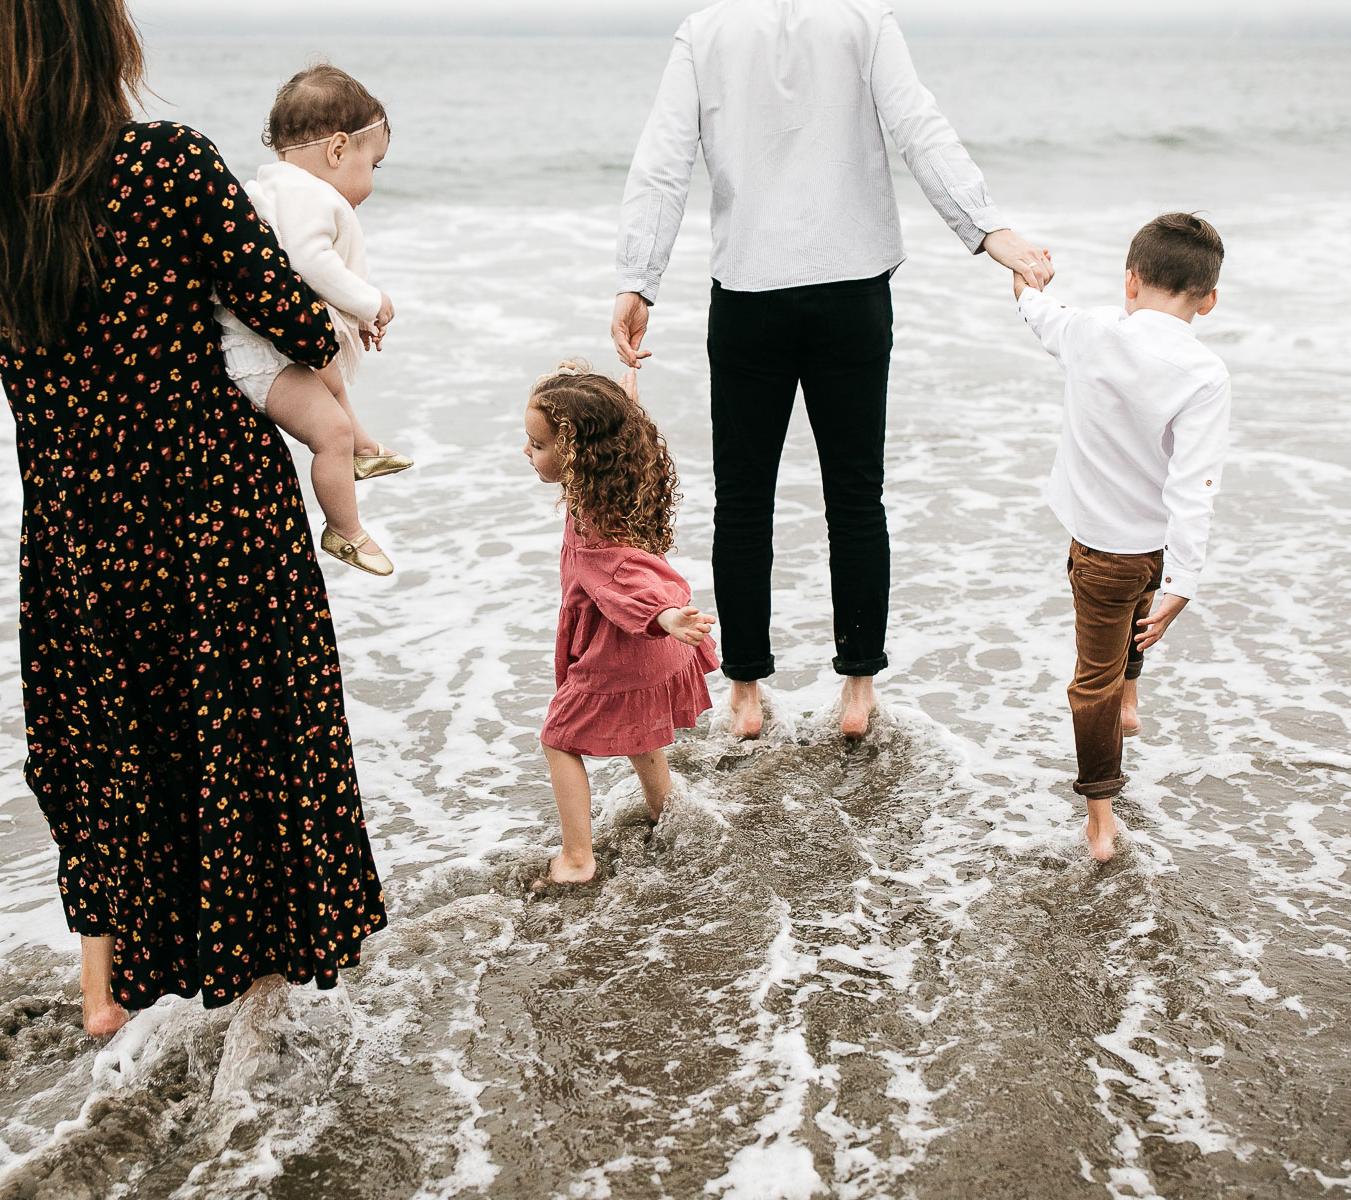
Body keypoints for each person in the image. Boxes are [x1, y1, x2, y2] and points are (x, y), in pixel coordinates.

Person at [0, 0, 386, 1035]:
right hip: (211, 510)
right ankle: (261, 1033)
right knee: (246, 755)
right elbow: (294, 318)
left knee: (110, 755)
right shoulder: (163, 162)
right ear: (90, 35)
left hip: (76, 524)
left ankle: (107, 1001)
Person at [611, 0, 1055, 740]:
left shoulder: (707, 29)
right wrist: (986, 232)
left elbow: (662, 166)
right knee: (855, 496)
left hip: (750, 294)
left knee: (744, 502)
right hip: (852, 289)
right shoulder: (863, 19)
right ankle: (856, 692)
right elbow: (921, 130)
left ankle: (746, 694)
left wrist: (637, 277)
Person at [1013, 213, 1232, 862]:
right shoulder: (1205, 374)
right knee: (1139, 619)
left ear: (1130, 281)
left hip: (1100, 549)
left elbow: (1035, 307)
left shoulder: (1092, 331)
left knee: (1092, 682)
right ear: (1209, 299)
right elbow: (1196, 487)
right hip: (1155, 549)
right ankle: (1131, 699)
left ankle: (1100, 819)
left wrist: (1028, 272)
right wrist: (1183, 583)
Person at [523, 361, 719, 887]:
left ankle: (577, 858)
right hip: (644, 649)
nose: (527, 451)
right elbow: (617, 421)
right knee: (639, 731)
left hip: (624, 644)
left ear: (578, 453)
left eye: (537, 444)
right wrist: (590, 388)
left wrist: (665, 615)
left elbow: (627, 581)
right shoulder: (620, 479)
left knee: (558, 739)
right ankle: (665, 806)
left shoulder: (592, 528)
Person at [217, 62, 413, 578]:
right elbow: (309, 262)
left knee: (331, 379)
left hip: (271, 346)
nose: (371, 179)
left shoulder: (281, 188)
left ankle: (364, 448)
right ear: (337, 149)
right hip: (260, 360)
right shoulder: (309, 194)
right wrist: (369, 302)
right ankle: (345, 530)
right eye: (374, 165)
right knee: (329, 433)